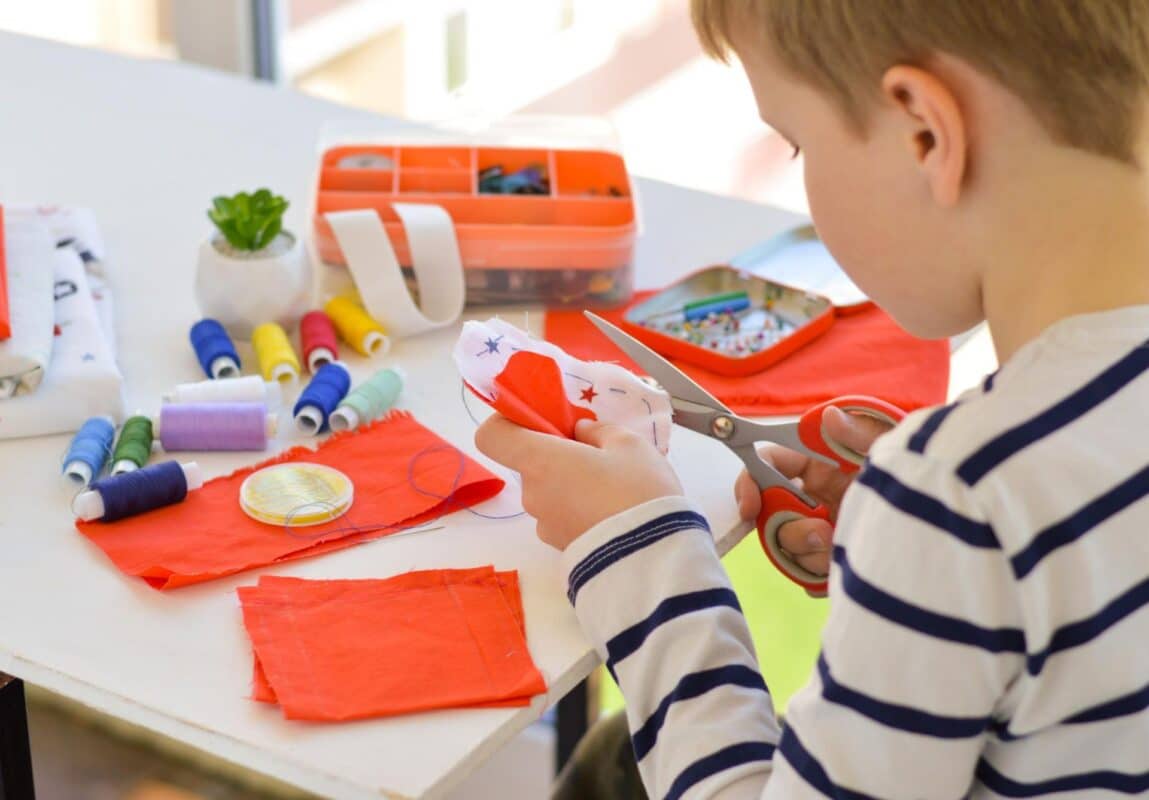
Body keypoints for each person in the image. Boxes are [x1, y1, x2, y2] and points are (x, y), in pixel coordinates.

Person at [477, 1, 1149, 796]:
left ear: (924, 133)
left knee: (609, 767)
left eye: (798, 141)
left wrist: (638, 551)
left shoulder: (961, 497)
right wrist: (935, 584)